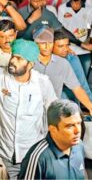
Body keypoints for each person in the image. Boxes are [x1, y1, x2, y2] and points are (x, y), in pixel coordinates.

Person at [0, 39, 57, 179]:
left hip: (32, 157)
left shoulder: (42, 83)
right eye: (13, 55)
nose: (13, 60)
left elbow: (55, 115)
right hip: (5, 156)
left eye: (19, 59)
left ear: (30, 64)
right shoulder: (1, 79)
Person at [32, 25, 92, 121]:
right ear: (35, 44)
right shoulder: (28, 62)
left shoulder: (64, 62)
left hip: (54, 110)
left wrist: (91, 107)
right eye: (43, 43)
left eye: (50, 42)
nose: (47, 46)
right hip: (32, 111)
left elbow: (78, 87)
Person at [18, 99, 85, 179]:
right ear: (53, 129)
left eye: (79, 123)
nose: (77, 130)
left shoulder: (79, 146)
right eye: (70, 126)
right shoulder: (37, 158)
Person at [52, 29, 92, 108]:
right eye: (60, 46)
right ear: (50, 45)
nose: (65, 49)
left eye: (67, 45)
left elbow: (82, 84)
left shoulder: (71, 58)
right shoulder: (44, 60)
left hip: (71, 92)